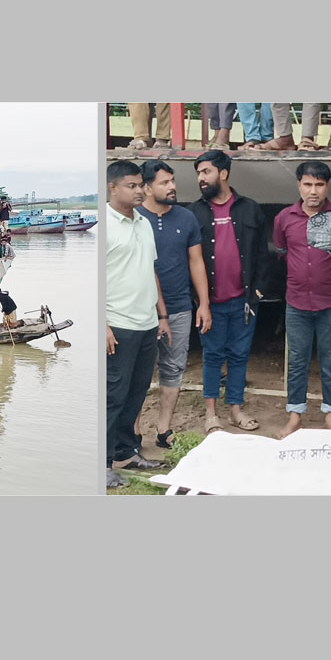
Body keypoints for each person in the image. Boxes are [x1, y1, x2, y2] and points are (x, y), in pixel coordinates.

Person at [273, 161, 331, 438]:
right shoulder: (284, 218)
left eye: (319, 185)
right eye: (308, 184)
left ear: (327, 187)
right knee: (297, 360)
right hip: (296, 302)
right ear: (299, 185)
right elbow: (282, 252)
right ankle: (295, 415)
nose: (313, 191)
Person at [188, 150, 270, 434]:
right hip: (209, 305)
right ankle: (211, 414)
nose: (201, 178)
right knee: (212, 355)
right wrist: (200, 303)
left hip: (243, 301)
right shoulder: (193, 213)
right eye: (198, 173)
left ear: (223, 173)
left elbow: (262, 253)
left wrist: (257, 293)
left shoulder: (249, 208)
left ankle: (235, 409)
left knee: (239, 355)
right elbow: (188, 260)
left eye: (206, 171)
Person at [136, 160, 211, 449]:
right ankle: (134, 431)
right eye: (164, 182)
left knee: (173, 369)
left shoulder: (186, 218)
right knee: (139, 373)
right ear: (147, 187)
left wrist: (203, 304)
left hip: (180, 307)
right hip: (140, 309)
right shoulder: (135, 219)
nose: (172, 187)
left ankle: (164, 430)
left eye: (172, 181)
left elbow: (196, 262)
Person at [105, 160, 168, 488]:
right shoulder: (105, 225)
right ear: (113, 188)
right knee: (112, 395)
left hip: (145, 324)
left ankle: (125, 453)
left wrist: (161, 316)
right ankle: (100, 464)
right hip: (118, 324)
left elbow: (150, 271)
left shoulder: (143, 222)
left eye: (141, 185)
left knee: (136, 393)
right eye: (132, 186)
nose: (140, 191)